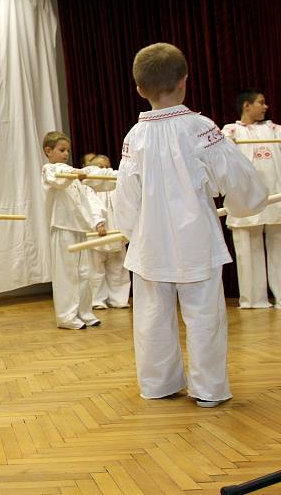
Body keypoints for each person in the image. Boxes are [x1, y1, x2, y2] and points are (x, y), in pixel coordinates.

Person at [115, 43, 267, 407]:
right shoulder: (201, 128)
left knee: (152, 319)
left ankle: (158, 384)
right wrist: (246, 203)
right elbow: (236, 177)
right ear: (185, 81)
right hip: (196, 240)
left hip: (151, 245)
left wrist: (134, 233)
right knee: (204, 318)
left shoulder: (135, 137)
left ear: (138, 88)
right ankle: (209, 388)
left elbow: (125, 198)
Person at [42, 132, 114, 329]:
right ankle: (66, 316)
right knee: (67, 273)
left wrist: (96, 221)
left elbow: (88, 199)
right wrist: (75, 174)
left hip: (80, 229)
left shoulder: (73, 174)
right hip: (62, 227)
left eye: (67, 151)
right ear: (48, 151)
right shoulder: (48, 169)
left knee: (85, 273)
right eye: (61, 150)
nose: (66, 154)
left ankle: (84, 311)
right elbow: (58, 181)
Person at [222, 89, 281, 309]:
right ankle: (253, 299)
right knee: (248, 248)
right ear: (247, 106)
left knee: (279, 247)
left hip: (275, 196)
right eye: (261, 103)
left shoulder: (274, 129)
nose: (265, 107)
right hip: (245, 199)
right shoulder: (231, 130)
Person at [85, 155, 131, 309]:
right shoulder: (89, 187)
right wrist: (98, 222)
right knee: (96, 270)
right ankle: (97, 300)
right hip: (99, 232)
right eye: (100, 167)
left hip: (116, 232)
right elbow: (92, 205)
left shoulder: (117, 184)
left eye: (107, 166)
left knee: (118, 267)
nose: (104, 170)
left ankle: (119, 299)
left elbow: (125, 205)